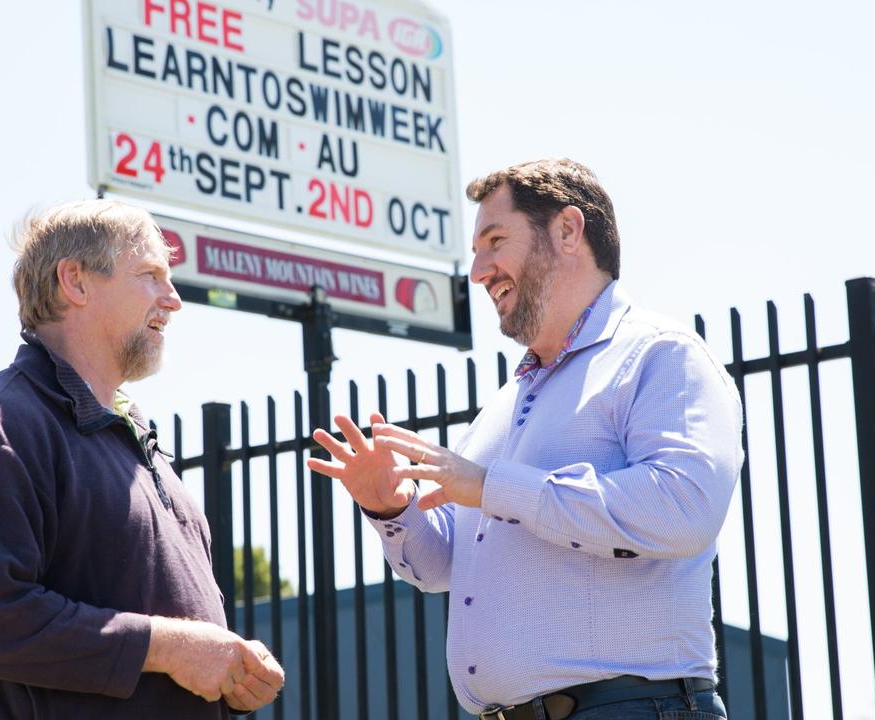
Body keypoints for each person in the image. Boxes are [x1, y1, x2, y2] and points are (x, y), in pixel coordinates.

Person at [309, 159, 743, 720]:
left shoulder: (661, 355)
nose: (479, 271)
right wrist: (389, 505)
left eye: (495, 241)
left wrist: (494, 486)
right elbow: (442, 566)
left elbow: (684, 508)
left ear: (567, 231)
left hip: (632, 707)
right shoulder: (504, 405)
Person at [0, 199, 284, 719]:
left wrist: (230, 670)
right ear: (76, 282)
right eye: (150, 275)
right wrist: (173, 647)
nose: (174, 299)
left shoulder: (135, 439)